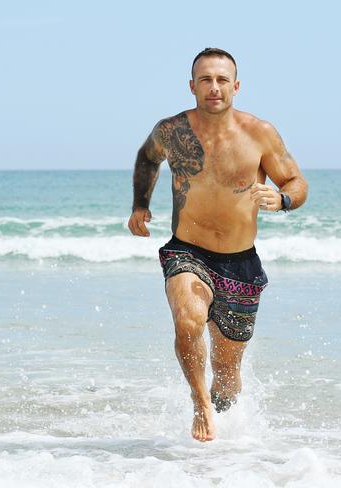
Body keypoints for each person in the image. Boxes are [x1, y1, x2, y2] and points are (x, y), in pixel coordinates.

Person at [128, 48, 308, 442]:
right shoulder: (172, 130)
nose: (214, 87)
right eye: (205, 79)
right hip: (186, 250)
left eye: (222, 80)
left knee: (228, 377)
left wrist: (283, 200)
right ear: (192, 86)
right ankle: (199, 404)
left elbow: (296, 182)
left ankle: (220, 419)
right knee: (188, 318)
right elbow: (146, 158)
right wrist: (140, 205)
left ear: (236, 86)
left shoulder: (259, 133)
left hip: (240, 264)